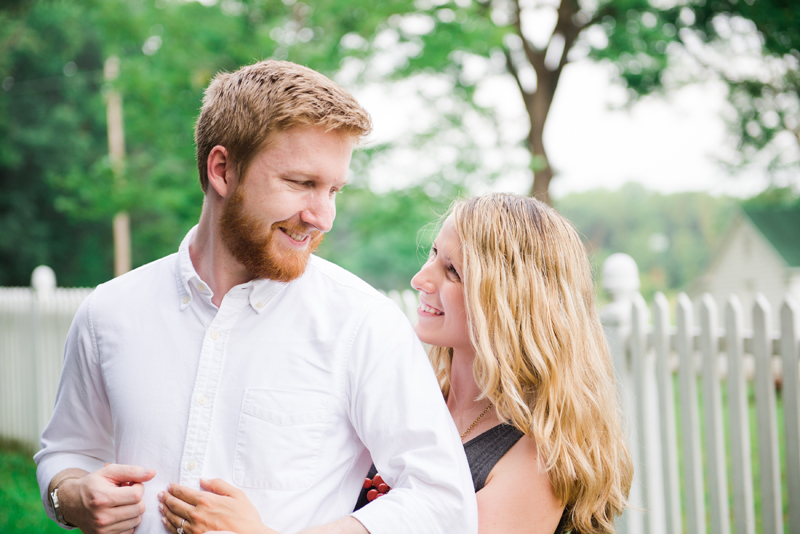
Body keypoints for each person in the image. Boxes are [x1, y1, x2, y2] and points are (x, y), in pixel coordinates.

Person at [34, 60, 478, 534]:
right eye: (302, 183)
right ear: (222, 170)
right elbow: (66, 450)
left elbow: (444, 503)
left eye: (334, 190)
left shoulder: (364, 324)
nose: (322, 217)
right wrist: (72, 496)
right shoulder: (109, 311)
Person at [161, 193, 633, 533]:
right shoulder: (409, 389)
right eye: (432, 255)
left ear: (513, 302)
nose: (421, 279)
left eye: (453, 272)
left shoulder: (537, 460)